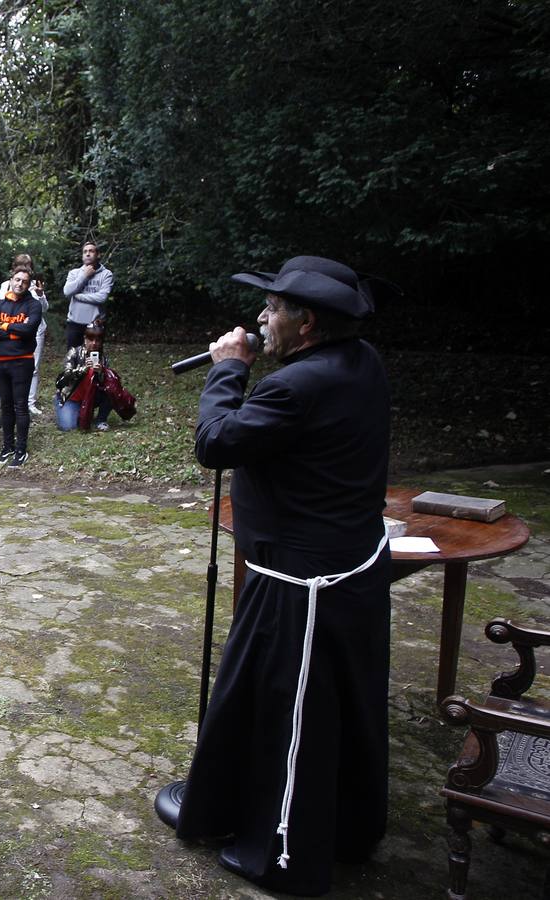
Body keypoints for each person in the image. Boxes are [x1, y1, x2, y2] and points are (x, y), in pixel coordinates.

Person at [159, 256, 391, 897]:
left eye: (272, 309)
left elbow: (217, 443)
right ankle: (332, 823)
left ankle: (280, 851)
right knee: (316, 706)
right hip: (344, 566)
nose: (261, 319)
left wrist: (228, 370)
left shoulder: (298, 386)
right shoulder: (361, 362)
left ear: (306, 322)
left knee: (295, 716)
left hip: (303, 585)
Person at [0, 267, 43, 468]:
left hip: (22, 361)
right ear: (11, 280)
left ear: (29, 284)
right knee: (6, 406)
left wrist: (5, 327)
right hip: (1, 362)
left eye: (24, 281)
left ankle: (21, 449)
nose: (19, 284)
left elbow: (29, 330)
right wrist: (14, 331)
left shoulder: (33, 305)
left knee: (20, 406)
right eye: (17, 280)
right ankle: (7, 447)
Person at [53, 323, 112, 431]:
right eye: (91, 339)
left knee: (112, 390)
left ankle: (101, 420)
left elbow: (108, 384)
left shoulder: (103, 358)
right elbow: (66, 377)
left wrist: (101, 372)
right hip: (72, 397)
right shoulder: (74, 353)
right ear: (85, 339)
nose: (94, 343)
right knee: (68, 426)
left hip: (90, 396)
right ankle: (62, 405)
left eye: (97, 340)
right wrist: (83, 369)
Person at [62, 241, 114, 351]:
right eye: (85, 251)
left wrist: (78, 296)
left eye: (91, 251)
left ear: (98, 255)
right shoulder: (74, 273)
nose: (88, 254)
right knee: (73, 358)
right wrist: (84, 276)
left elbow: (102, 297)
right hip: (74, 323)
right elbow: (67, 291)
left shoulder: (106, 274)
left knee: (94, 359)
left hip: (95, 324)